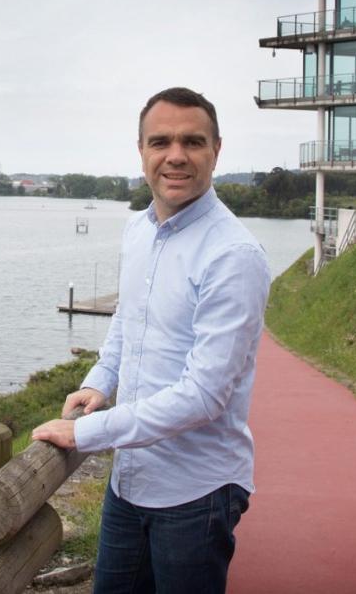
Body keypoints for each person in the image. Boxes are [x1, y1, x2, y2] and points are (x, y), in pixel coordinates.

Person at [32, 86, 271, 594]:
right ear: (141, 150)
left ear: (216, 151)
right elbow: (128, 319)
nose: (176, 156)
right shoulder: (138, 231)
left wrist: (85, 434)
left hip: (197, 492)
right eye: (160, 141)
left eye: (193, 141)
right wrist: (101, 380)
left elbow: (205, 396)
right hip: (130, 480)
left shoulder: (234, 255)